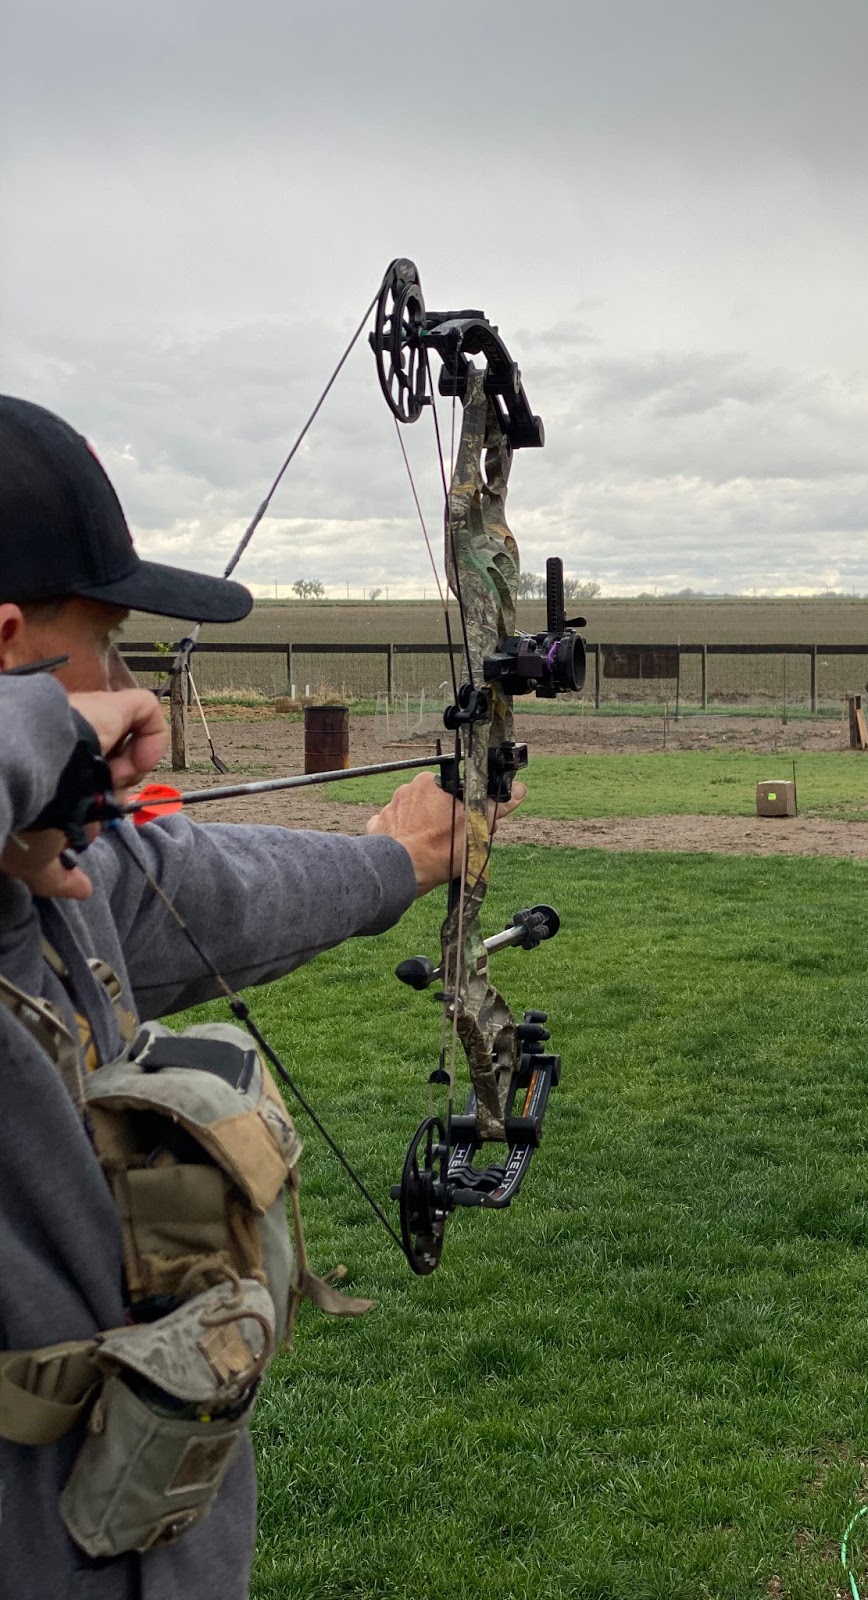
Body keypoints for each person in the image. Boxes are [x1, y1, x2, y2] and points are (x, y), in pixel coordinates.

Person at [0, 395, 522, 1599]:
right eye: (109, 648)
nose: (133, 692)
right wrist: (44, 730)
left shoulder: (54, 873)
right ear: (14, 643)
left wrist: (400, 858)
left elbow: (206, 886)